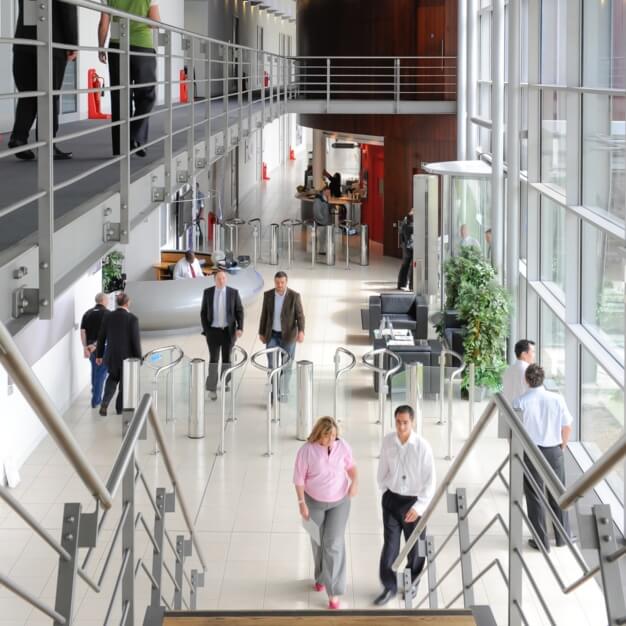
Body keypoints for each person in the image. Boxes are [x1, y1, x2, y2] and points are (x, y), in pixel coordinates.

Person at [293, 416, 358, 611]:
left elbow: (352, 467)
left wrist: (355, 482)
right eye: (327, 437)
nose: (332, 441)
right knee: (317, 541)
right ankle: (321, 576)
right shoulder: (306, 451)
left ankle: (334, 592)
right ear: (318, 435)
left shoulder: (342, 446)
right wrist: (301, 503)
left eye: (334, 437)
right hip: (313, 502)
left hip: (340, 501)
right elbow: (298, 480)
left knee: (333, 544)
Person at [374, 405, 436, 606]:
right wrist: (386, 491)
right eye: (398, 422)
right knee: (390, 545)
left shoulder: (423, 447)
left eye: (405, 422)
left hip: (414, 502)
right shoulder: (388, 441)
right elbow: (382, 470)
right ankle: (389, 586)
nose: (401, 426)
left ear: (413, 422)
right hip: (392, 500)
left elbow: (430, 481)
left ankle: (413, 581)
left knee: (415, 545)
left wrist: (418, 508)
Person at [513, 364, 573, 552]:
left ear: (526, 379)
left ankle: (541, 541)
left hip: (531, 452)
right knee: (558, 493)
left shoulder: (519, 402)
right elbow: (567, 426)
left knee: (534, 495)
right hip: (554, 451)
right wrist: (562, 446)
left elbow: (513, 432)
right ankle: (563, 537)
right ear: (543, 378)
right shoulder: (557, 398)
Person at [9, 0, 78, 161]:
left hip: (23, 43)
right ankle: (47, 145)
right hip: (51, 44)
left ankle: (18, 139)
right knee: (49, 96)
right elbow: (68, 11)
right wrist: (72, 45)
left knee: (29, 94)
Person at [98, 0, 160, 157]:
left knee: (119, 97)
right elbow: (155, 22)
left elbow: (104, 22)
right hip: (142, 47)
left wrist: (101, 46)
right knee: (146, 95)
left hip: (117, 47)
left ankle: (121, 147)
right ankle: (136, 137)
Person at [258, 271, 305, 401]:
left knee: (287, 366)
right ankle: (272, 394)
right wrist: (261, 332)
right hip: (272, 335)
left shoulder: (294, 296)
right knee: (272, 366)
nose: (279, 285)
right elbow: (264, 315)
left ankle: (283, 392)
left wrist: (301, 331)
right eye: (277, 282)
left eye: (282, 282)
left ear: (286, 282)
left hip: (288, 337)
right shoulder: (268, 295)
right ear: (274, 282)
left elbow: (300, 316)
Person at [200, 269, 243, 401]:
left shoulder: (233, 293)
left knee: (226, 359)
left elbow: (239, 311)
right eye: (219, 279)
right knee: (213, 359)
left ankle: (225, 382)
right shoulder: (208, 293)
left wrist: (240, 327)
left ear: (226, 279)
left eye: (224, 278)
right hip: (213, 332)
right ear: (214, 280)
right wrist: (207, 330)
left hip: (228, 332)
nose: (221, 281)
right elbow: (203, 312)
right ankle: (212, 388)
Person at [96, 292, 142, 416]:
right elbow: (135, 341)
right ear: (128, 303)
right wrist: (139, 359)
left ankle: (105, 403)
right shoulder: (132, 319)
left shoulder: (108, 316)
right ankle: (119, 409)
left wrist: (99, 355)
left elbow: (101, 337)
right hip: (127, 358)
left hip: (111, 356)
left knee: (112, 378)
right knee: (124, 384)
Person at [80, 293, 110, 408]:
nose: (107, 302)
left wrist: (85, 347)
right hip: (102, 346)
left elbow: (83, 332)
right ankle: (96, 400)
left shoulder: (87, 313)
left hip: (90, 347)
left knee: (95, 369)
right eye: (107, 300)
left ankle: (95, 392)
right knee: (101, 373)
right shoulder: (107, 314)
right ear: (103, 300)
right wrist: (96, 345)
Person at [502, 339, 535, 404]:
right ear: (524, 354)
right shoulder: (529, 371)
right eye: (533, 352)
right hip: (523, 411)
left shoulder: (508, 370)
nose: (534, 355)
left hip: (508, 410)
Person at [397, 209, 414, 291]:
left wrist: (403, 244)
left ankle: (401, 283)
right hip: (414, 247)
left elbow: (401, 236)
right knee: (414, 266)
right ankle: (412, 285)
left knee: (405, 265)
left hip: (406, 247)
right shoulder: (413, 226)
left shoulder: (404, 225)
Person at [312, 187, 332, 254]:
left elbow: (327, 208)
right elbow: (316, 211)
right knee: (321, 236)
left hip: (325, 221)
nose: (329, 193)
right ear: (324, 191)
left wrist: (329, 199)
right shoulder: (318, 199)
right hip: (321, 222)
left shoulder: (325, 198)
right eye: (328, 192)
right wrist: (321, 219)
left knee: (323, 236)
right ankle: (321, 250)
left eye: (329, 192)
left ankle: (322, 250)